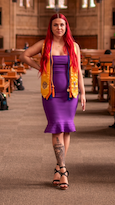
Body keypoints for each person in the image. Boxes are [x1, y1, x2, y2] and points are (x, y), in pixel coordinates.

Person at [19, 13, 86, 190]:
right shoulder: (44, 44)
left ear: (66, 27)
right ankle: (63, 169)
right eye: (56, 25)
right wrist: (39, 66)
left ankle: (58, 168)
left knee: (66, 130)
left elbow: (78, 70)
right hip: (51, 94)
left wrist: (83, 92)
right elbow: (24, 56)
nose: (59, 28)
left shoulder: (74, 46)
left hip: (70, 94)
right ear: (51, 27)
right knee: (56, 128)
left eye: (62, 25)